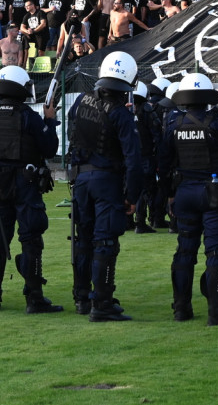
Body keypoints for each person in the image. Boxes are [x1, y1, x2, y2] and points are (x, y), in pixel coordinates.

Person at [158, 73, 218, 325]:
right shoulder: (215, 123)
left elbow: (163, 162)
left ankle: (181, 309)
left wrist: (170, 195)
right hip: (213, 194)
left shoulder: (173, 124)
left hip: (184, 192)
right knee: (216, 253)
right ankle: (217, 312)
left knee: (185, 251)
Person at [66, 51, 143, 321]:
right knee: (106, 242)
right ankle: (102, 303)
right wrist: (131, 196)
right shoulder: (121, 115)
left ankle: (82, 297)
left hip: (80, 180)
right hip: (106, 182)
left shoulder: (80, 103)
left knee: (84, 240)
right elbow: (134, 160)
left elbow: (72, 136)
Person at [0, 66, 62, 313]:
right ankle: (34, 298)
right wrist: (49, 120)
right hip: (25, 184)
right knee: (31, 240)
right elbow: (49, 148)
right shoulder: (29, 117)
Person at [131, 82, 162, 234]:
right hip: (146, 157)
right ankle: (142, 221)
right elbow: (157, 133)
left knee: (131, 187)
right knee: (146, 189)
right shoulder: (147, 110)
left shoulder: (125, 109)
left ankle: (132, 221)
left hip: (130, 156)